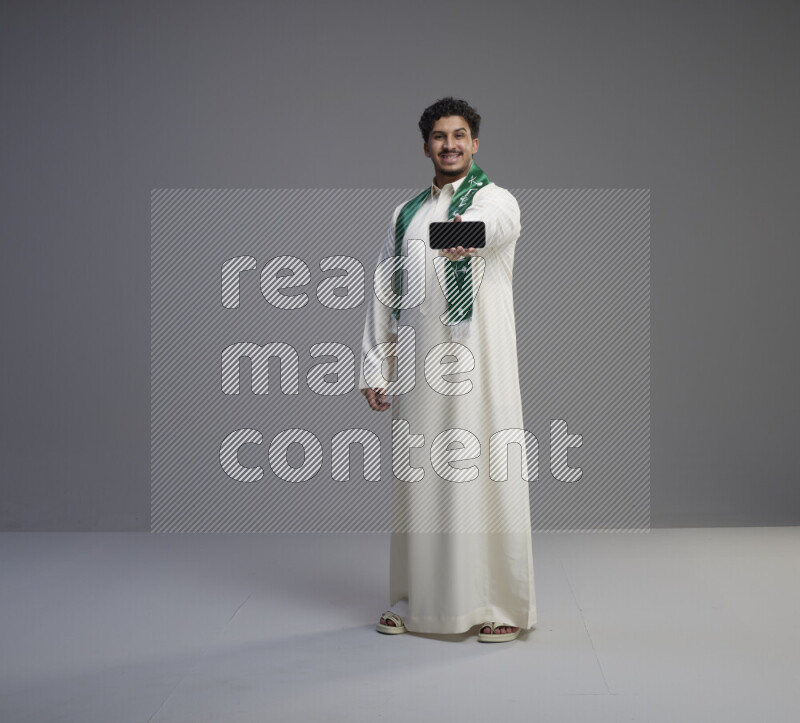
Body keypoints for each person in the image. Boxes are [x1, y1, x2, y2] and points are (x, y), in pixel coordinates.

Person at [359, 97, 536, 642]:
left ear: (475, 143)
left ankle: (497, 608)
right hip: (422, 368)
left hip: (481, 366)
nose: (451, 145)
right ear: (426, 146)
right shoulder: (404, 214)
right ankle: (415, 601)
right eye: (440, 137)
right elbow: (386, 290)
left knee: (485, 475)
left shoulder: (498, 200)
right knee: (421, 479)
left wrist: (463, 237)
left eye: (460, 135)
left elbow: (489, 228)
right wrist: (375, 364)